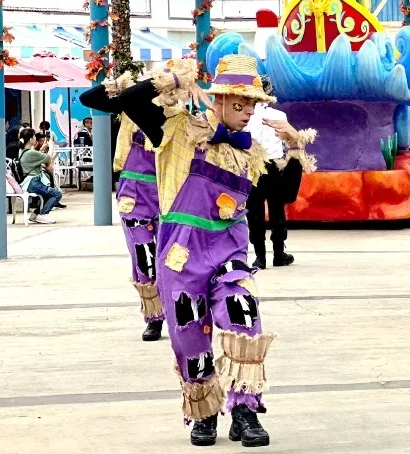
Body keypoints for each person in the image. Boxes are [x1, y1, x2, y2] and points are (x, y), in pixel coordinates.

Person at [113, 55, 314, 447]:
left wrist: (291, 140)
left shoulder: (251, 152)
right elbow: (129, 103)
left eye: (251, 105)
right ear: (217, 101)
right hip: (181, 255)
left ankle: (245, 411)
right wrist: (172, 78)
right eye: (238, 104)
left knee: (244, 316)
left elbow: (286, 195)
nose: (246, 113)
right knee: (189, 336)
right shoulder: (178, 132)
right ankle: (204, 414)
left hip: (229, 253)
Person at [81, 75, 174, 343]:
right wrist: (117, 83)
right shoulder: (126, 108)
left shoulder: (172, 112)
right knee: (143, 255)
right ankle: (153, 317)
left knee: (170, 258)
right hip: (134, 194)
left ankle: (176, 311)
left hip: (167, 192)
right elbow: (88, 98)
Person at [246, 103, 296, 270]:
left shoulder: (246, 114)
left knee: (254, 212)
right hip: (275, 165)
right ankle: (279, 254)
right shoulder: (280, 115)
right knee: (277, 210)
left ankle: (260, 258)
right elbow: (287, 141)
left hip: (254, 166)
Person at [19, 127, 63, 224]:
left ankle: (35, 214)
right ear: (31, 139)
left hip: (30, 181)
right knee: (57, 194)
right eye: (34, 137)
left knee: (47, 195)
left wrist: (42, 149)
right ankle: (43, 214)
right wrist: (51, 146)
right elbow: (48, 158)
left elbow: (35, 158)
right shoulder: (30, 153)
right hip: (34, 182)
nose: (35, 138)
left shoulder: (23, 151)